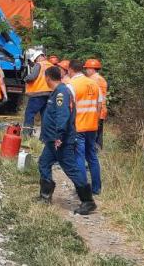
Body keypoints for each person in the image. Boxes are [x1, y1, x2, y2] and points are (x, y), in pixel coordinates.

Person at [37, 65, 97, 215]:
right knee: (44, 163)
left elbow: (62, 116)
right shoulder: (57, 92)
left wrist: (59, 136)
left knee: (71, 169)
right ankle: (45, 195)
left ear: (48, 78)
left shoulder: (61, 93)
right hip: (52, 140)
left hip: (60, 140)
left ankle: (88, 201)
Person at [67, 59, 103, 195]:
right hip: (92, 126)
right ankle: (96, 188)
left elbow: (69, 108)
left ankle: (82, 189)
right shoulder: (94, 84)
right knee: (92, 157)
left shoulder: (72, 85)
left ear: (70, 69)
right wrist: (95, 121)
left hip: (79, 127)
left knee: (79, 158)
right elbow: (99, 105)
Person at [23, 51, 54, 136]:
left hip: (38, 94)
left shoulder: (39, 64)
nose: (36, 62)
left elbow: (33, 77)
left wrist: (26, 78)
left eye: (36, 59)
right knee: (44, 116)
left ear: (39, 57)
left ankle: (26, 134)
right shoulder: (51, 65)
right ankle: (44, 137)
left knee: (29, 113)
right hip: (49, 94)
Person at [84, 59, 109, 149]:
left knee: (93, 132)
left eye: (87, 68)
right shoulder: (102, 79)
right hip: (102, 109)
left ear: (92, 69)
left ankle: (93, 151)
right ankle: (98, 149)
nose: (86, 70)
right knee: (99, 133)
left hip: (95, 109)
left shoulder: (92, 80)